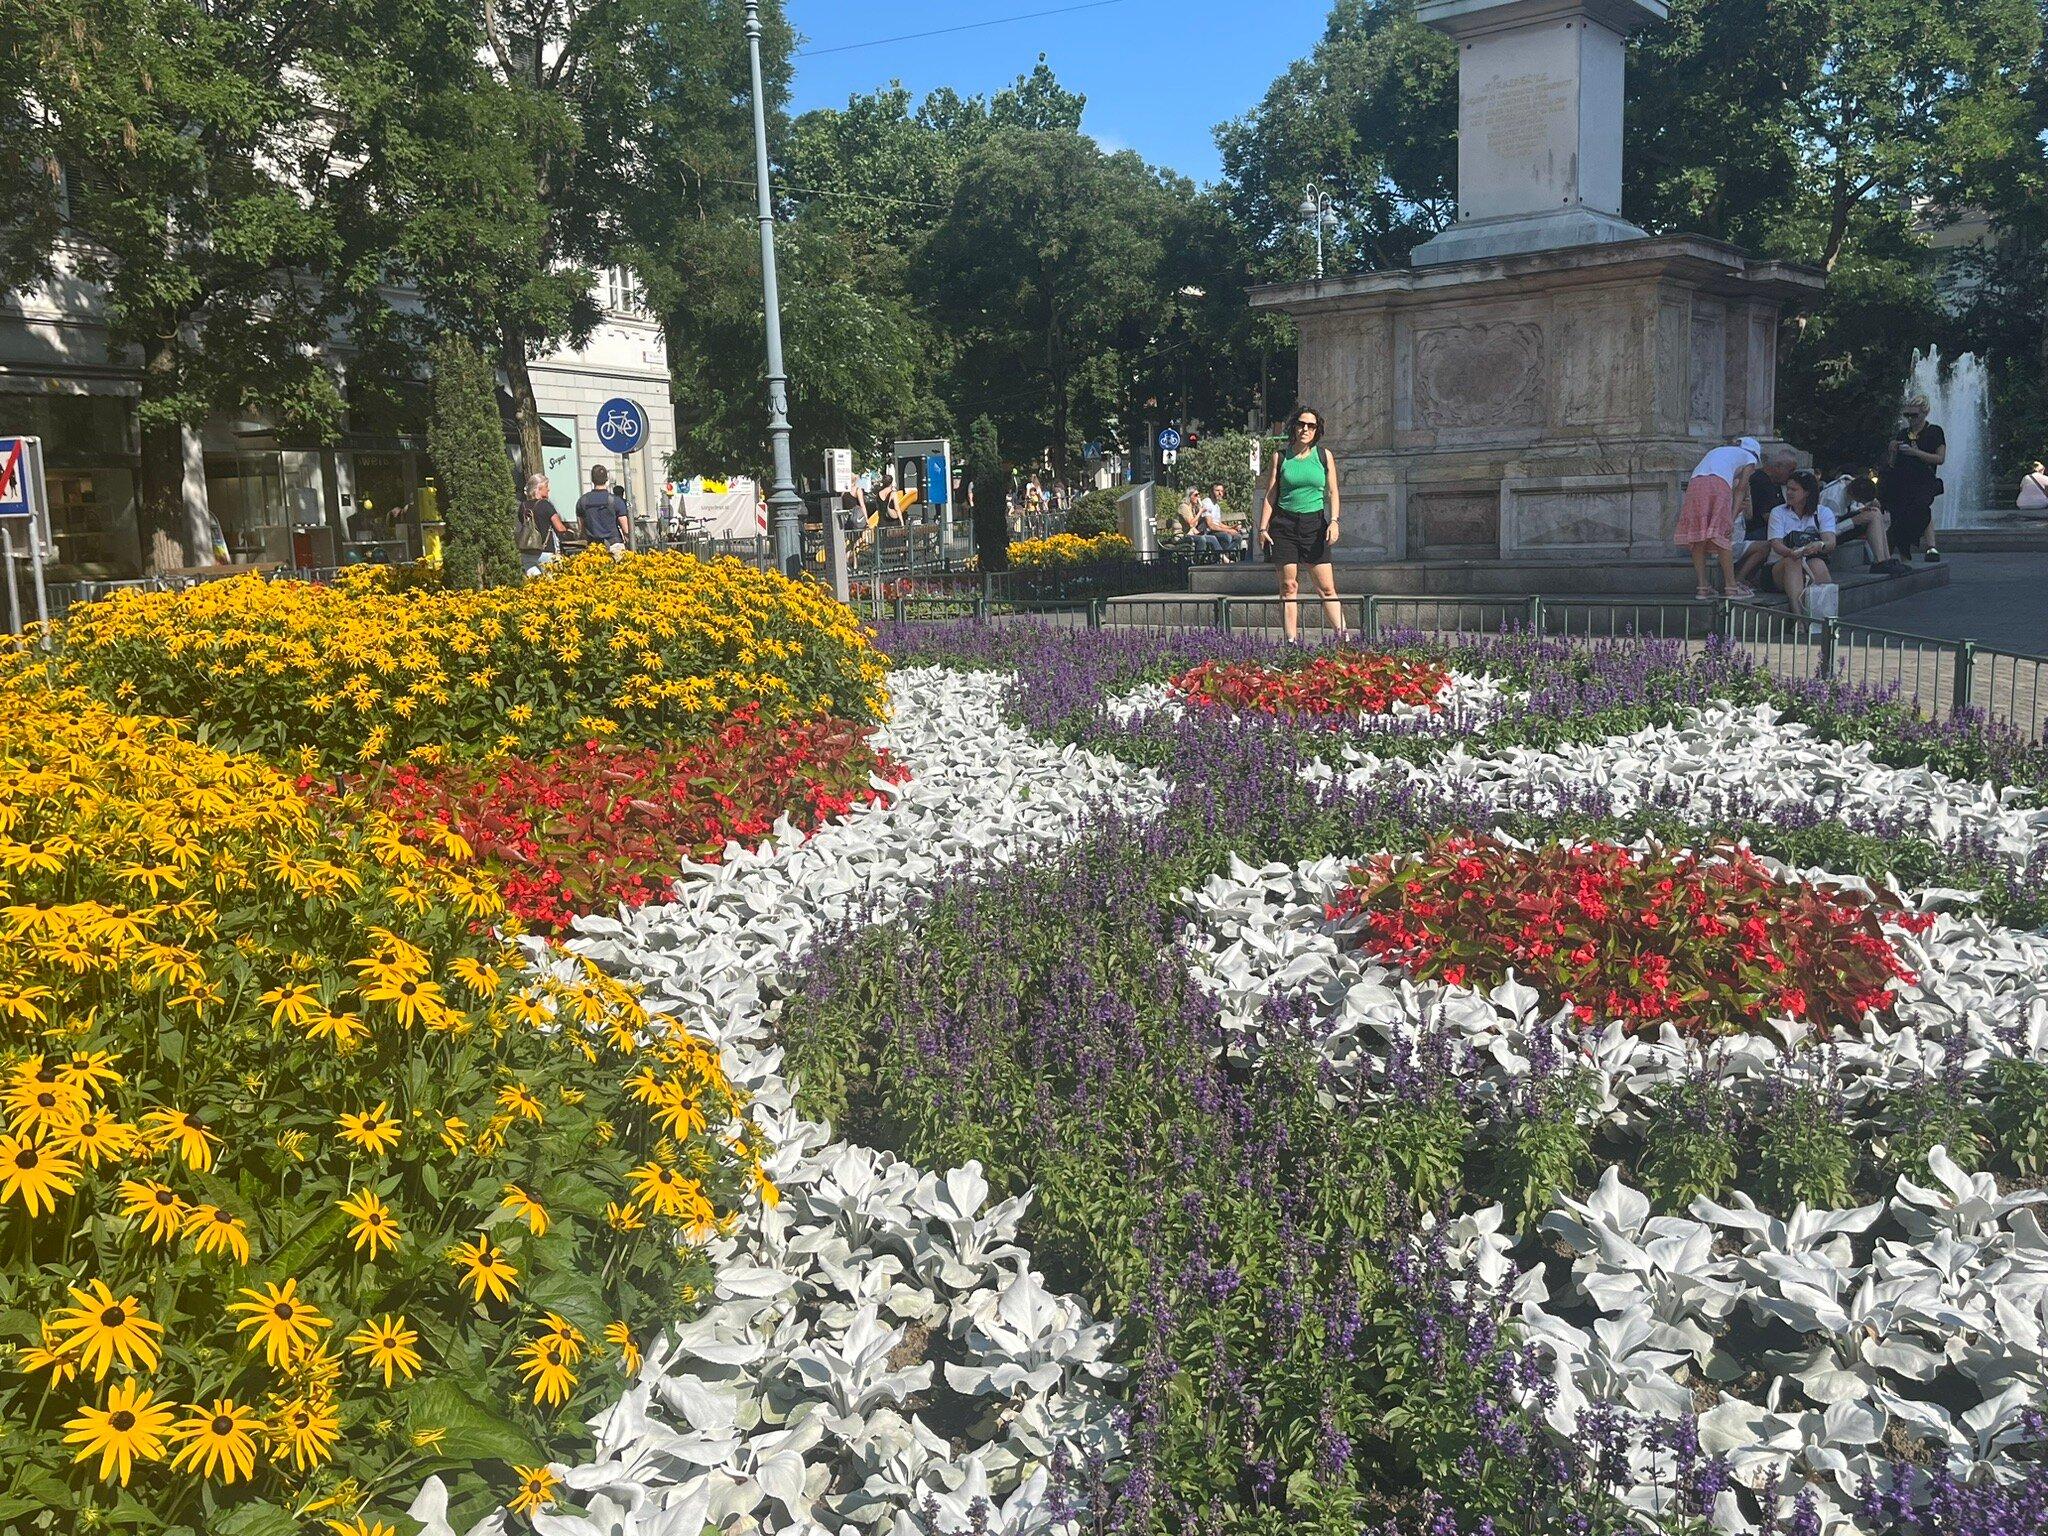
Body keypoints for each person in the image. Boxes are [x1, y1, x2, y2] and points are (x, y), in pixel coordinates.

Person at [1260, 407, 1346, 642]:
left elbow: (1333, 491)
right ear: (1294, 427)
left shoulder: (1324, 456)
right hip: (1284, 525)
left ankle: (1344, 640)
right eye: (1301, 424)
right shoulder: (1280, 457)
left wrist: (1335, 521)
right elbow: (1270, 494)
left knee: (1327, 589)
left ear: (1317, 430)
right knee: (1289, 587)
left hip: (1314, 525)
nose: (1305, 429)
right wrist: (1262, 527)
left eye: (1311, 426)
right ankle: (1291, 643)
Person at [1675, 436, 1767, 598]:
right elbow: (1741, 489)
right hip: (1718, 484)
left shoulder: (1718, 450)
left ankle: (1703, 587)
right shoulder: (1749, 457)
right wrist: (1730, 519)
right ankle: (1731, 587)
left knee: (1699, 536)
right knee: (1722, 536)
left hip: (1695, 483)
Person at [1879, 395, 1946, 563]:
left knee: (1921, 508)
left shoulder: (1934, 431)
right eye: (1907, 415)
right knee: (1900, 513)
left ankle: (1929, 545)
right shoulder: (1903, 433)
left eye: (1914, 415)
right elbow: (1892, 464)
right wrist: (1893, 450)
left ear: (1925, 413)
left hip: (1923, 480)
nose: (1910, 419)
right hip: (1902, 481)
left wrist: (1916, 453)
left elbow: (1940, 459)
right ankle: (1903, 553)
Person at [1765, 469, 1836, 617]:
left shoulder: (1823, 513)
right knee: (1793, 561)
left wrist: (1820, 545)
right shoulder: (1778, 512)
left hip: (1809, 563)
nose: (1789, 493)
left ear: (1807, 493)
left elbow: (1830, 542)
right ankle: (1798, 618)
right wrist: (1793, 552)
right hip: (1778, 567)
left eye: (1794, 490)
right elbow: (1776, 544)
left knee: (1818, 564)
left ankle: (1823, 617)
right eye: (1788, 489)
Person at [1819, 469, 1907, 575]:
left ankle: (1886, 559)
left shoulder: (1851, 484)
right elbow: (1828, 530)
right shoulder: (1833, 499)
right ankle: (1880, 562)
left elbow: (1852, 508)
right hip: (1827, 534)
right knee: (1871, 516)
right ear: (1853, 495)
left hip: (1842, 520)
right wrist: (1854, 521)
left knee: (1875, 512)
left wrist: (1863, 509)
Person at [516, 473, 570, 579]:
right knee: (550, 587)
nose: (548, 489)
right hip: (545, 552)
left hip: (527, 553)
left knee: (533, 586)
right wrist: (568, 531)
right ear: (539, 488)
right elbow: (560, 528)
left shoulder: (523, 506)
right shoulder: (546, 505)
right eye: (546, 487)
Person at [577, 465, 629, 556]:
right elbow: (626, 529)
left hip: (594, 548)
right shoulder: (616, 501)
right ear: (606, 479)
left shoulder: (583, 501)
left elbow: (581, 529)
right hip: (614, 545)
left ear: (592, 479)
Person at [1198, 482, 1244, 558]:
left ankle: (1221, 555)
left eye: (1222, 491)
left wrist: (1232, 527)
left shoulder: (1217, 506)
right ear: (1211, 491)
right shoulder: (1207, 503)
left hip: (1216, 531)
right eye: (1217, 491)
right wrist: (1228, 531)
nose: (1220, 493)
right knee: (1226, 537)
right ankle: (1221, 556)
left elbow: (1218, 523)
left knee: (1238, 537)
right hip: (1207, 532)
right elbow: (1211, 525)